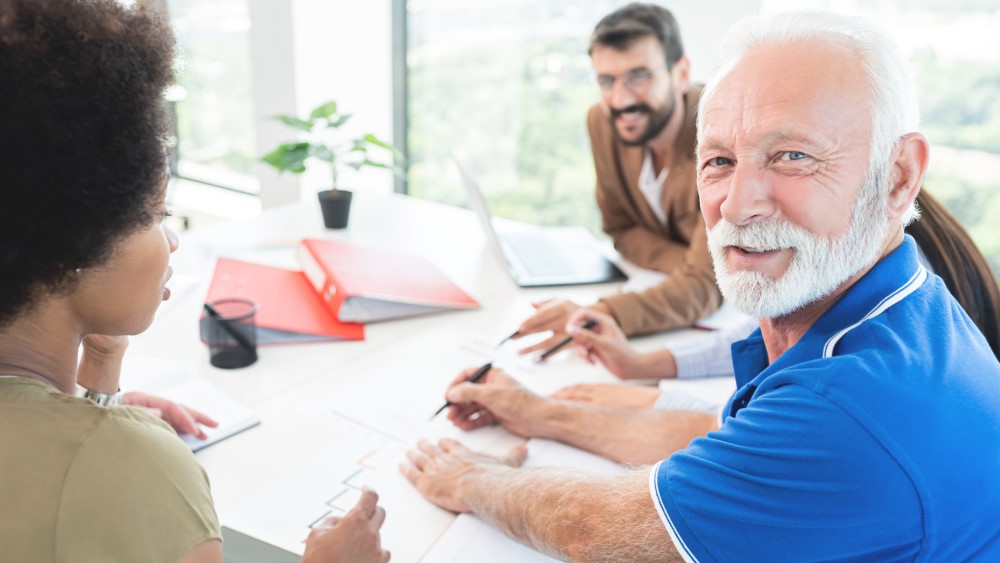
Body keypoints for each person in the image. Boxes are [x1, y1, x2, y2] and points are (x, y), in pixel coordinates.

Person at [401, 11, 1000, 561]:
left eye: (791, 156)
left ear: (898, 177)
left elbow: (603, 530)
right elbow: (728, 441)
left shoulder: (842, 408)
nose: (735, 206)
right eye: (717, 161)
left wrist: (472, 479)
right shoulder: (899, 306)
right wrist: (542, 413)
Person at [0, 2, 389, 562]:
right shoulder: (136, 467)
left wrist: (96, 392)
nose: (172, 241)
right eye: (156, 214)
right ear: (66, 245)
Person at [553, 189, 1000, 410]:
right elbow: (753, 332)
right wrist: (641, 367)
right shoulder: (880, 248)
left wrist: (649, 401)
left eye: (794, 157)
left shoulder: (877, 307)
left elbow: (774, 438)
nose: (740, 203)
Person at [512, 3, 722, 364]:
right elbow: (621, 229)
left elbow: (707, 284)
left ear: (681, 73)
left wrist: (599, 313)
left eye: (639, 76)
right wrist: (691, 263)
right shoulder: (602, 122)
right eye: (606, 81)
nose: (620, 99)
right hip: (658, 287)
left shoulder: (719, 134)